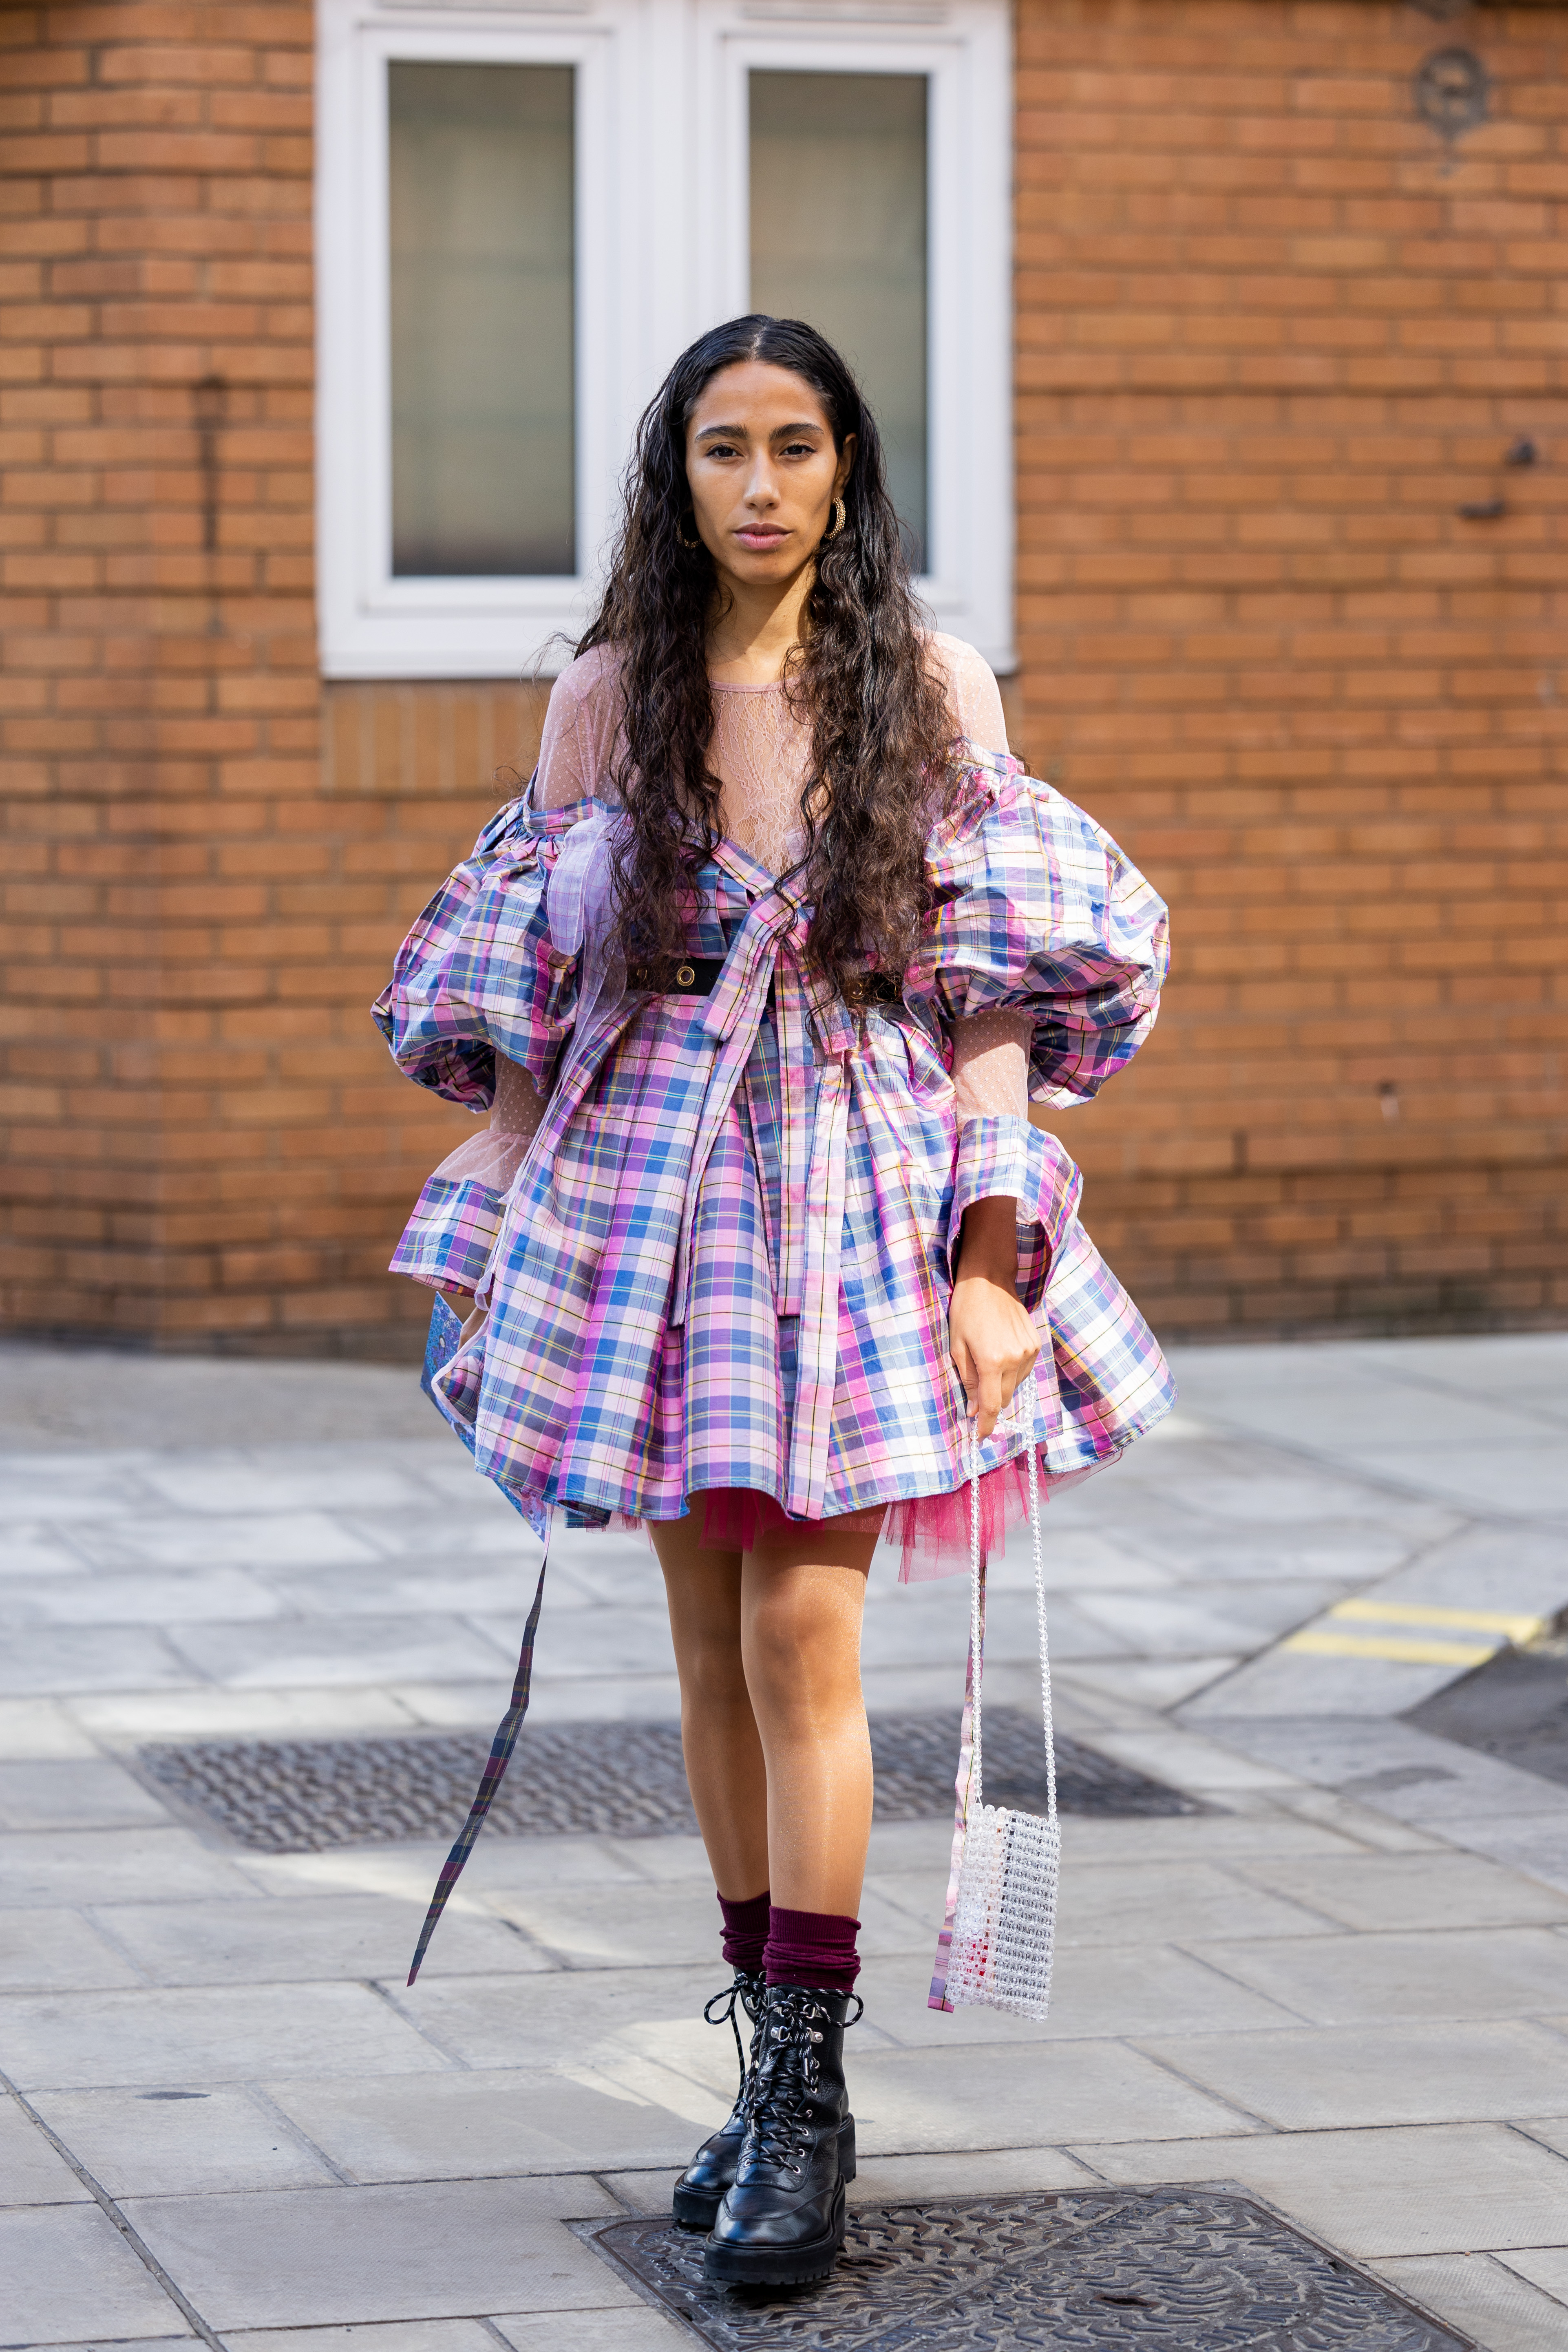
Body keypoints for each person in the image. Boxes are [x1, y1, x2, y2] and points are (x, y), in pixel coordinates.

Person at [374, 315, 1173, 2287]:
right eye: (720, 446)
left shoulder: (923, 683)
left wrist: (995, 1259)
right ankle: (756, 2064)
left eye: (792, 446)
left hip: (855, 1181)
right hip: (650, 1197)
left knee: (806, 1633)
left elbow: (989, 986)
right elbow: (533, 999)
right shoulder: (606, 699)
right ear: (677, 474)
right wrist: (507, 1210)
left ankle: (808, 2100)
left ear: (843, 471)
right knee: (713, 1642)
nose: (756, 483)